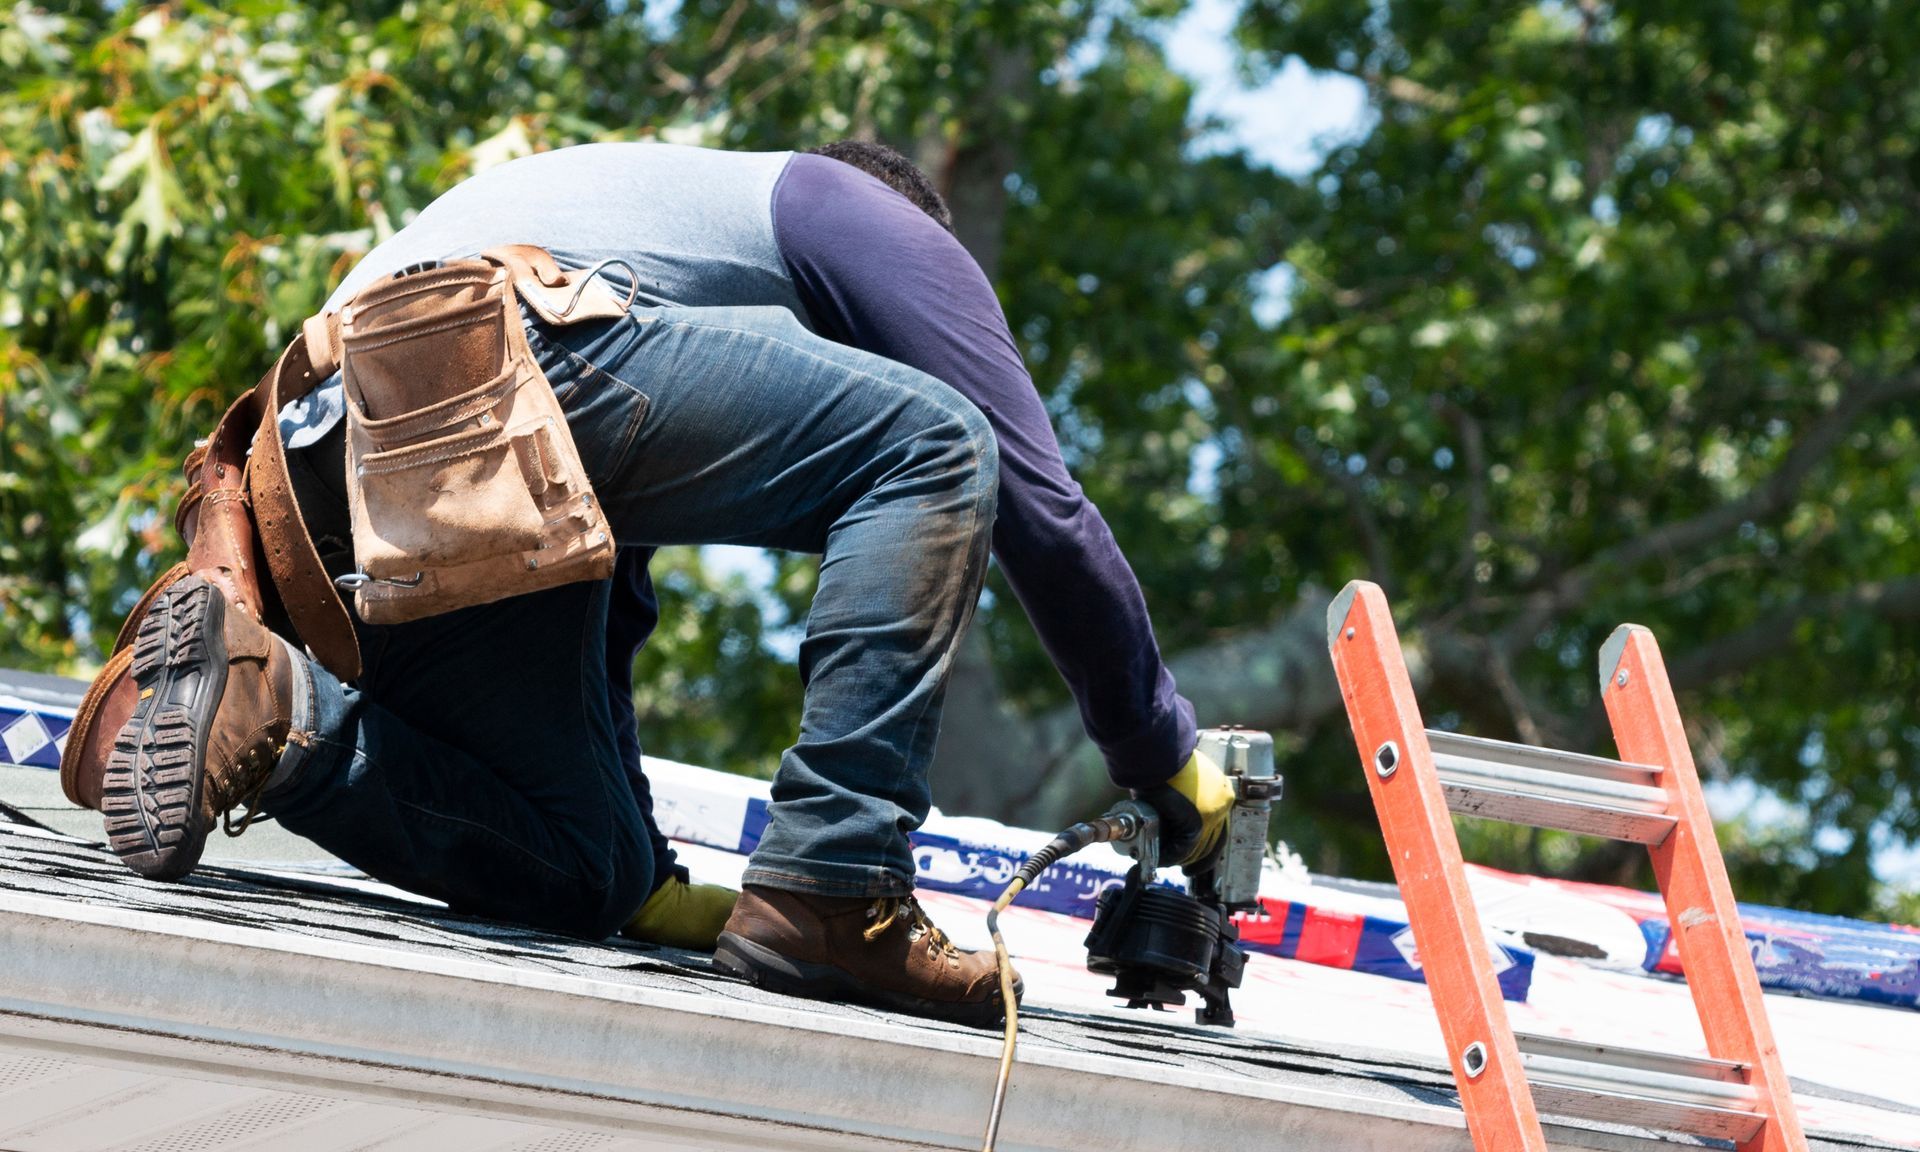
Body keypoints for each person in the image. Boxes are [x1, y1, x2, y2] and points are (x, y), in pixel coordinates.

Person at [106, 141, 1230, 1025]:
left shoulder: (653, 245)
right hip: (480, 362)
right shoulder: (860, 214)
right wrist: (1166, 762)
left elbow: (601, 604)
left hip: (318, 484)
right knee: (939, 445)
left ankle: (273, 706)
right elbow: (1047, 516)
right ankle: (839, 880)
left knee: (582, 866)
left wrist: (652, 880)